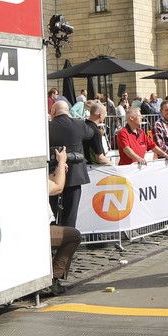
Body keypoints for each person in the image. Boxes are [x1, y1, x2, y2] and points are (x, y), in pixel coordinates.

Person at [47, 99, 100, 228]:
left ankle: (53, 237)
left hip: (52, 175)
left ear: (53, 111)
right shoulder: (79, 124)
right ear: (68, 112)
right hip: (74, 175)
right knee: (70, 216)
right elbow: (91, 133)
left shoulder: (47, 127)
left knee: (51, 215)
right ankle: (68, 238)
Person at [45, 147, 83, 296]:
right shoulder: (32, 177)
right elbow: (57, 188)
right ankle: (53, 279)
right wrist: (61, 162)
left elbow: (49, 183)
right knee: (74, 235)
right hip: (39, 232)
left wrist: (58, 171)